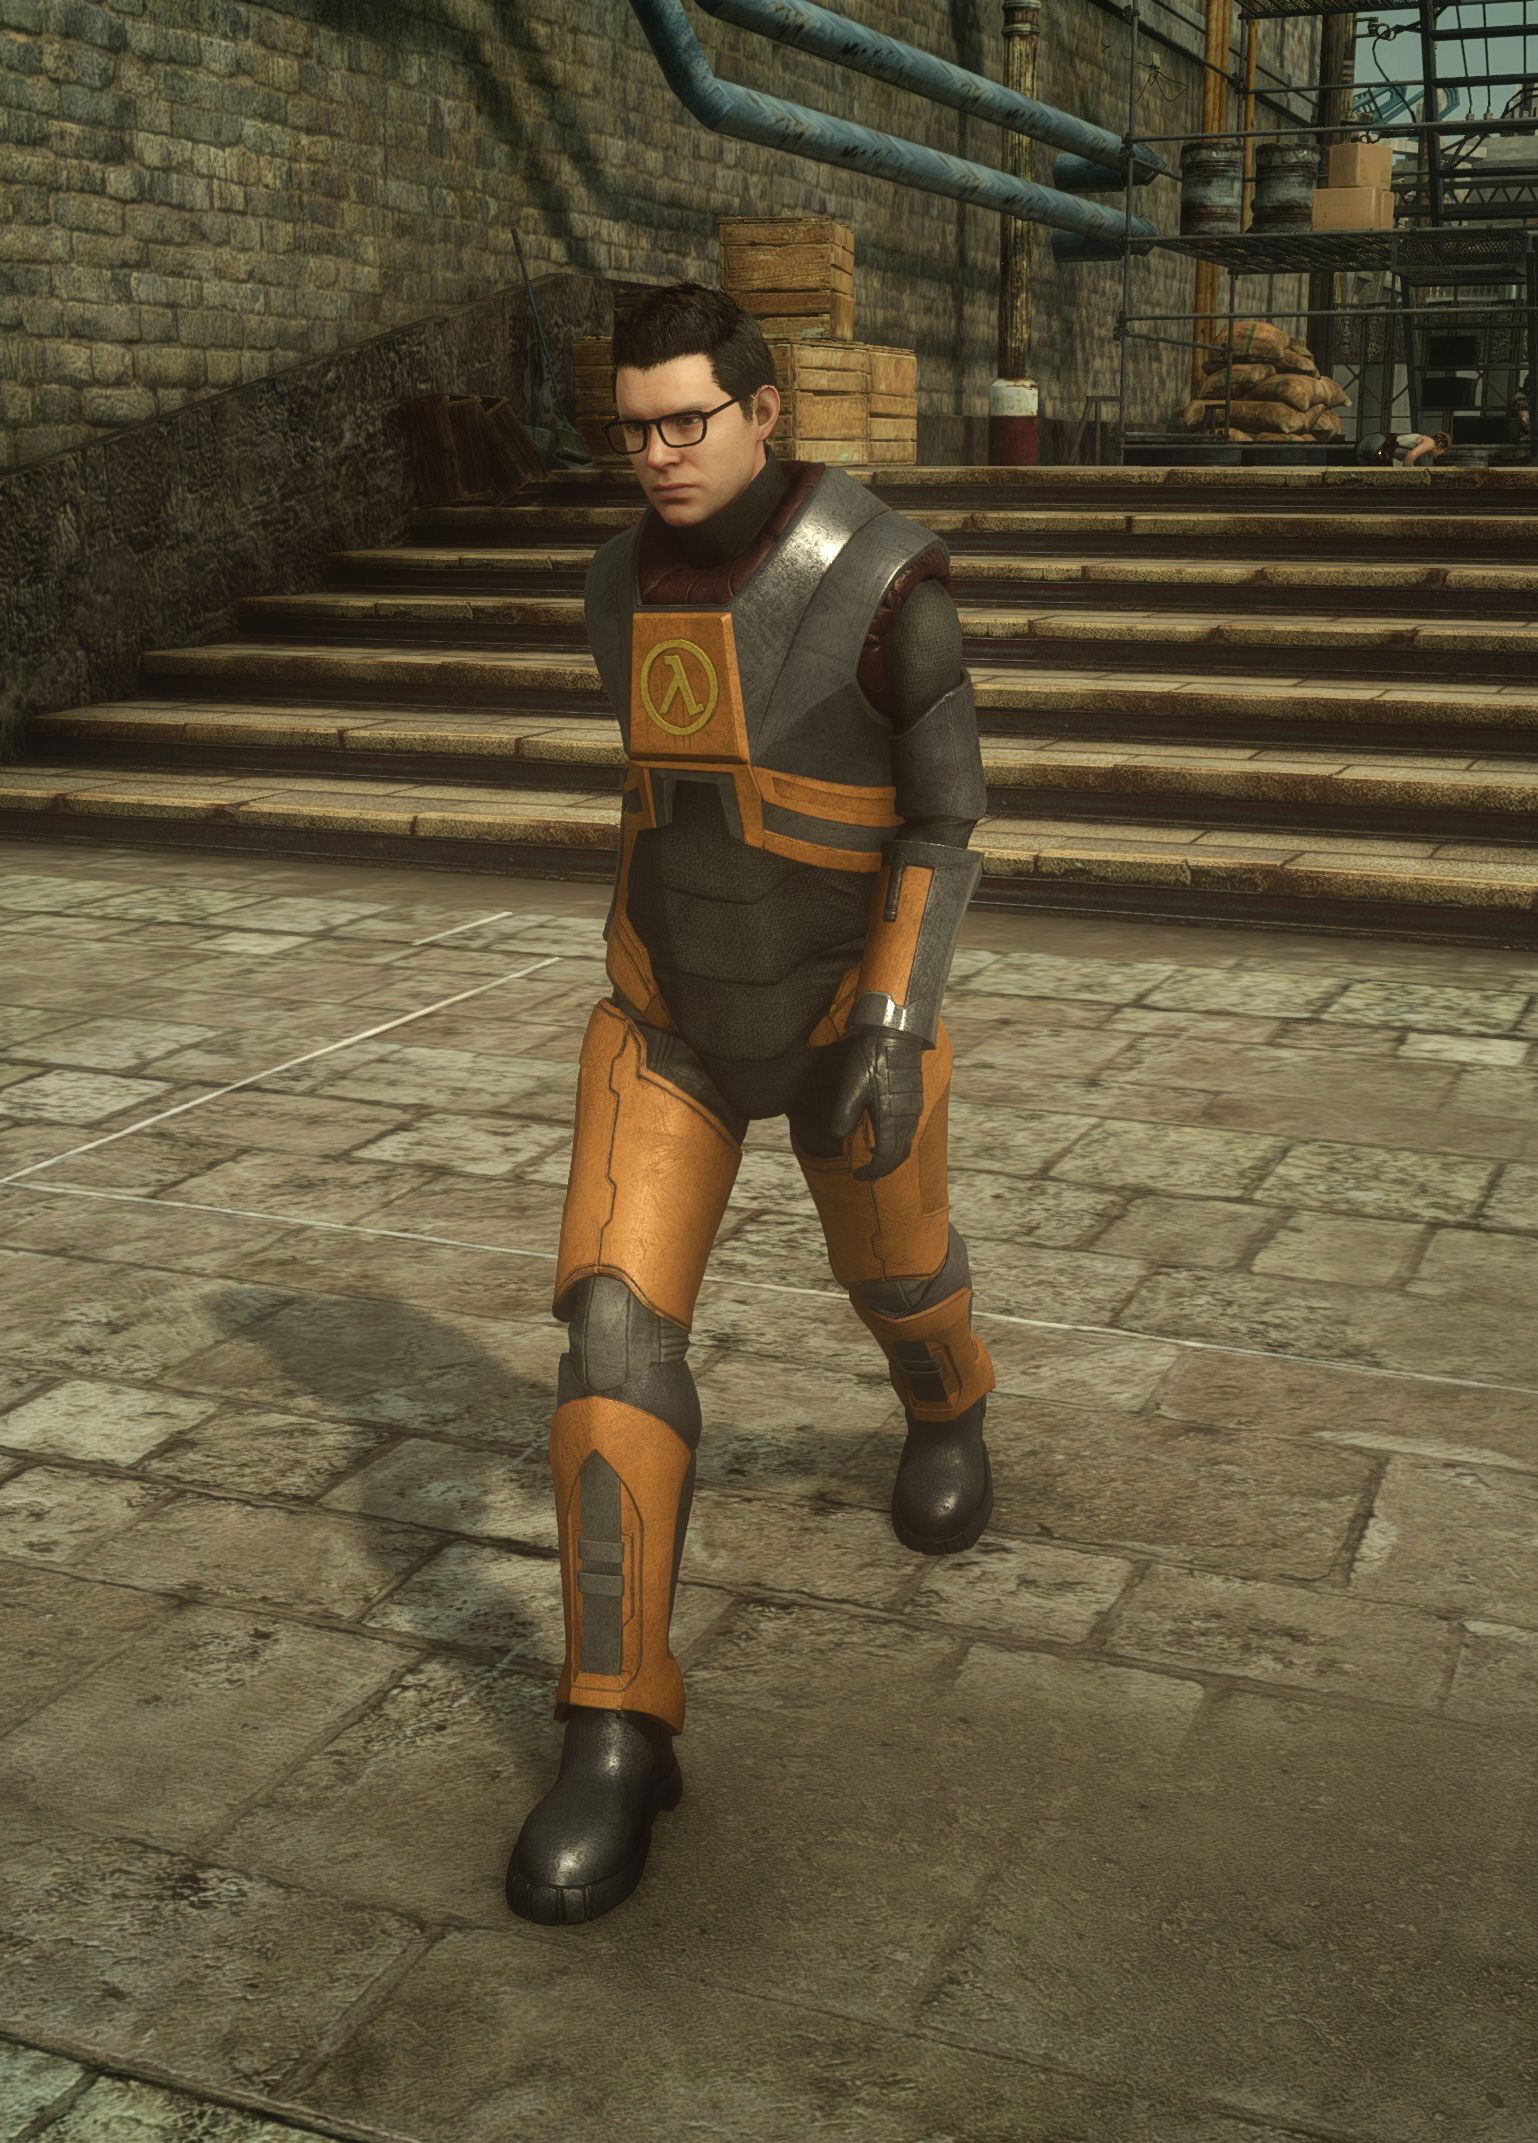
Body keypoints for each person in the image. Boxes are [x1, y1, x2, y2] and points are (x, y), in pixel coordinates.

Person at [503, 281, 998, 1927]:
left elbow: (941, 824)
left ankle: (949, 1407)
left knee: (898, 1279)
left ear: (765, 410)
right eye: (633, 429)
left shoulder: (889, 584)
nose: (658, 455)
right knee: (611, 1337)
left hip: (843, 1012)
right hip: (669, 1017)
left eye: (687, 422)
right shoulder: (613, 585)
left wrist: (895, 1022)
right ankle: (617, 1726)